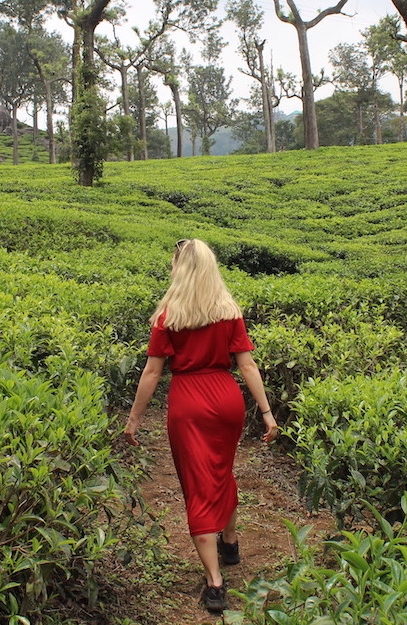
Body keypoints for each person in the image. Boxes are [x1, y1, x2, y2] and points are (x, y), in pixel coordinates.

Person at [123, 238, 278, 613]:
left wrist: (133, 420)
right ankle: (231, 540)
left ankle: (215, 582)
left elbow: (153, 371)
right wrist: (267, 412)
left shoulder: (169, 315)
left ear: (179, 268)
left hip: (189, 401)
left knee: (198, 486)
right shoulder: (228, 310)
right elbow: (247, 365)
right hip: (226, 398)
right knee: (221, 472)